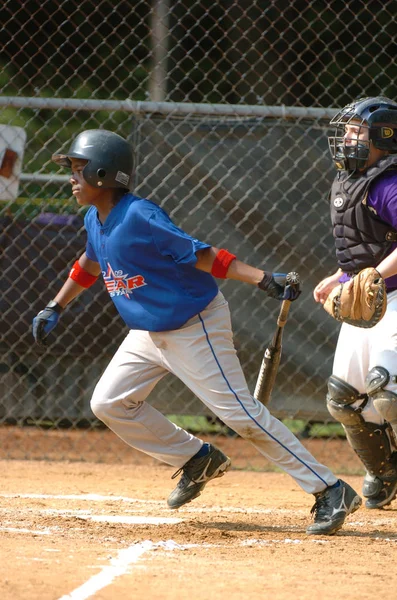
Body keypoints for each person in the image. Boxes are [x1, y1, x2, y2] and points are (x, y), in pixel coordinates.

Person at [32, 128, 361, 535]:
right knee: (109, 402)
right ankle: (197, 458)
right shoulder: (93, 218)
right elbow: (90, 261)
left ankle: (330, 488)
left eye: (79, 170)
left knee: (240, 415)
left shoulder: (140, 215)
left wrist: (261, 279)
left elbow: (200, 254)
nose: (72, 178)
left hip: (193, 324)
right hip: (148, 331)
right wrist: (55, 305)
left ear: (104, 173)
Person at [314, 96, 397, 509]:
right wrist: (340, 277)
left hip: (395, 296)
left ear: (384, 137)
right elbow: (364, 247)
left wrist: (375, 276)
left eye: (356, 131)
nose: (346, 137)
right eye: (346, 129)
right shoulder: (349, 181)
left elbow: (379, 262)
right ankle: (384, 469)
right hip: (367, 297)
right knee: (344, 398)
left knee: (389, 393)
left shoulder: (388, 184)